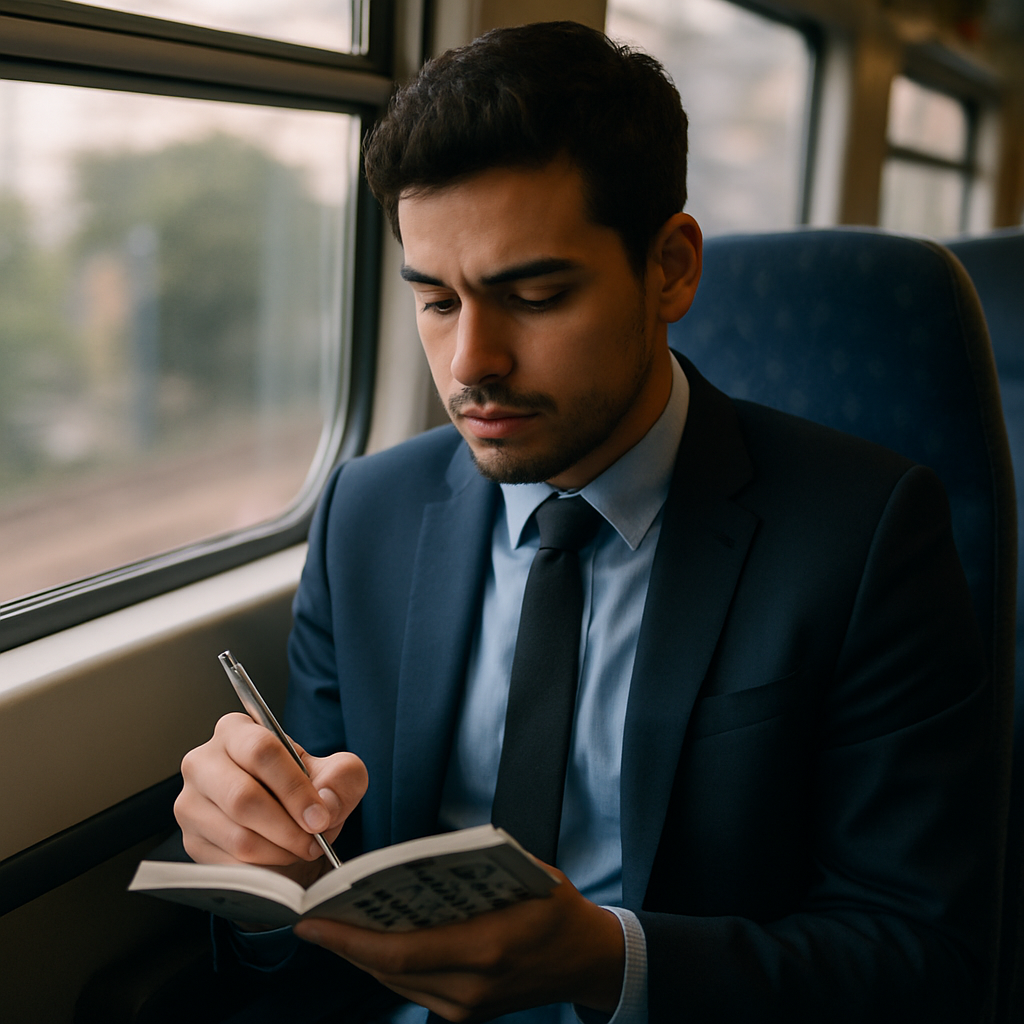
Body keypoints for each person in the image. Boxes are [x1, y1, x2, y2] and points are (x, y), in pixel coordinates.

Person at [174, 21, 1003, 1024]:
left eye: (533, 296)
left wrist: (613, 963)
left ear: (671, 269)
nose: (471, 363)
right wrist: (268, 878)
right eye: (436, 301)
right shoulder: (366, 515)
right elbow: (314, 907)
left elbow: (921, 959)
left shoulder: (862, 532)